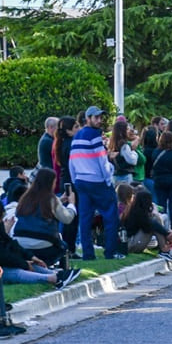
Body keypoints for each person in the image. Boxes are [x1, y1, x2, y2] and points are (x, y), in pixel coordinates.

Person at [0, 199, 79, 290]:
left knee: (32, 264)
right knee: (17, 272)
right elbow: (3, 256)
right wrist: (24, 264)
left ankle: (55, 274)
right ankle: (52, 278)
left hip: (2, 262)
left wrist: (30, 256)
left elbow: (10, 242)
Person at [69, 105, 124, 260]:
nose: (99, 120)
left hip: (81, 181)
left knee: (85, 219)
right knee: (110, 216)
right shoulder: (95, 135)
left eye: (100, 117)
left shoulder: (77, 136)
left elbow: (71, 161)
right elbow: (101, 160)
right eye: (96, 117)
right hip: (98, 181)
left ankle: (88, 254)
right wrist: (109, 177)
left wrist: (75, 180)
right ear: (88, 118)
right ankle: (110, 252)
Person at [12, 168, 77, 268]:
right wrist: (71, 204)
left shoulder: (25, 197)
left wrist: (60, 201)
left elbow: (36, 208)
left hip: (21, 243)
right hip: (43, 244)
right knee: (63, 246)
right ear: (51, 183)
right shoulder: (51, 199)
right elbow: (67, 218)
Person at [121, 190, 172, 263]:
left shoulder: (137, 210)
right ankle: (165, 248)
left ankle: (166, 247)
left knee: (155, 222)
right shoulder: (136, 213)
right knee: (153, 225)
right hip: (131, 244)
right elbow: (150, 226)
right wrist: (166, 233)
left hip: (133, 241)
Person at [108, 120, 140, 186]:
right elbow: (132, 161)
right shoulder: (124, 145)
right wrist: (134, 152)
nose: (129, 131)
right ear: (122, 131)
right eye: (127, 129)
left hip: (114, 176)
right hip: (125, 177)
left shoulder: (111, 143)